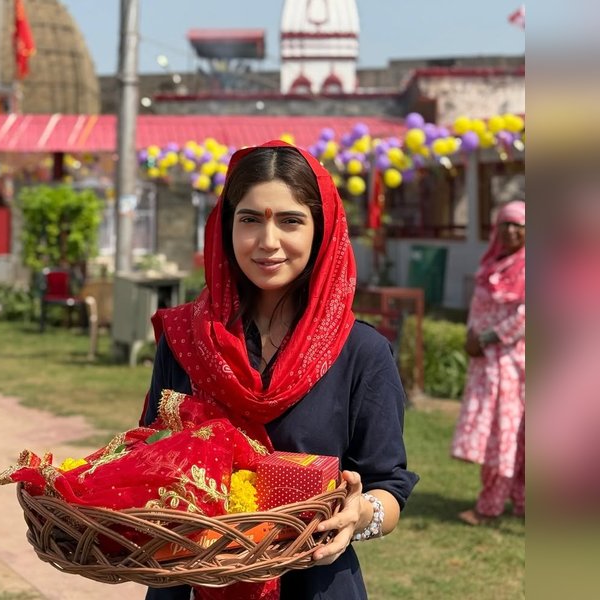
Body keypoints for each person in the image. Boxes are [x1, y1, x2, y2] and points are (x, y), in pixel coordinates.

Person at [140, 140, 418, 599]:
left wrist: (360, 516)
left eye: (291, 221)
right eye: (250, 219)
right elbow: (150, 456)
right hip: (190, 582)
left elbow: (388, 488)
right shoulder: (188, 338)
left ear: (321, 231)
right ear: (225, 226)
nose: (268, 242)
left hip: (316, 584)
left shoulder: (361, 353)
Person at [451, 200, 525, 525]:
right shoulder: (491, 265)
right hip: (486, 365)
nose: (510, 231)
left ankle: (491, 506)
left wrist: (487, 339)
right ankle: (515, 502)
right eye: (505, 224)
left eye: (518, 225)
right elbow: (477, 308)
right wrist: (470, 335)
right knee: (503, 435)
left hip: (513, 364)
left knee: (508, 437)